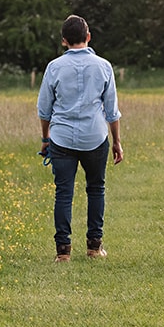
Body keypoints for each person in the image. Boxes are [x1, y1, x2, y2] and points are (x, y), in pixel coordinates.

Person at [37, 14, 124, 262]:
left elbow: (44, 109)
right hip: (95, 138)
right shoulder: (104, 66)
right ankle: (94, 247)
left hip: (62, 139)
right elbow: (112, 111)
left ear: (64, 41)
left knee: (63, 193)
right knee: (96, 189)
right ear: (88, 37)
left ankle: (63, 251)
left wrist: (46, 139)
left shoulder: (54, 67)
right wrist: (116, 142)